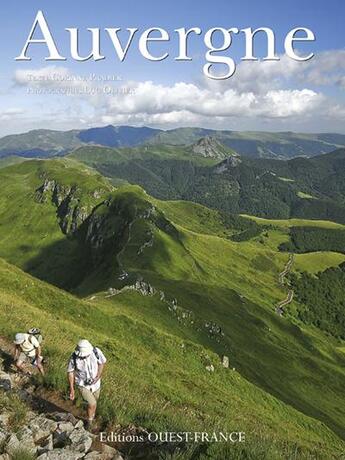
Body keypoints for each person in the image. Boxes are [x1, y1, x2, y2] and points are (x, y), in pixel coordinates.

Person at [67, 339, 106, 428]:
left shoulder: (96, 352)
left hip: (96, 384)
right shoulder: (74, 358)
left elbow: (102, 363)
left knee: (94, 402)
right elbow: (70, 372)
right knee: (92, 403)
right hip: (82, 384)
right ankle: (89, 423)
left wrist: (98, 376)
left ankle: (91, 417)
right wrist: (72, 389)